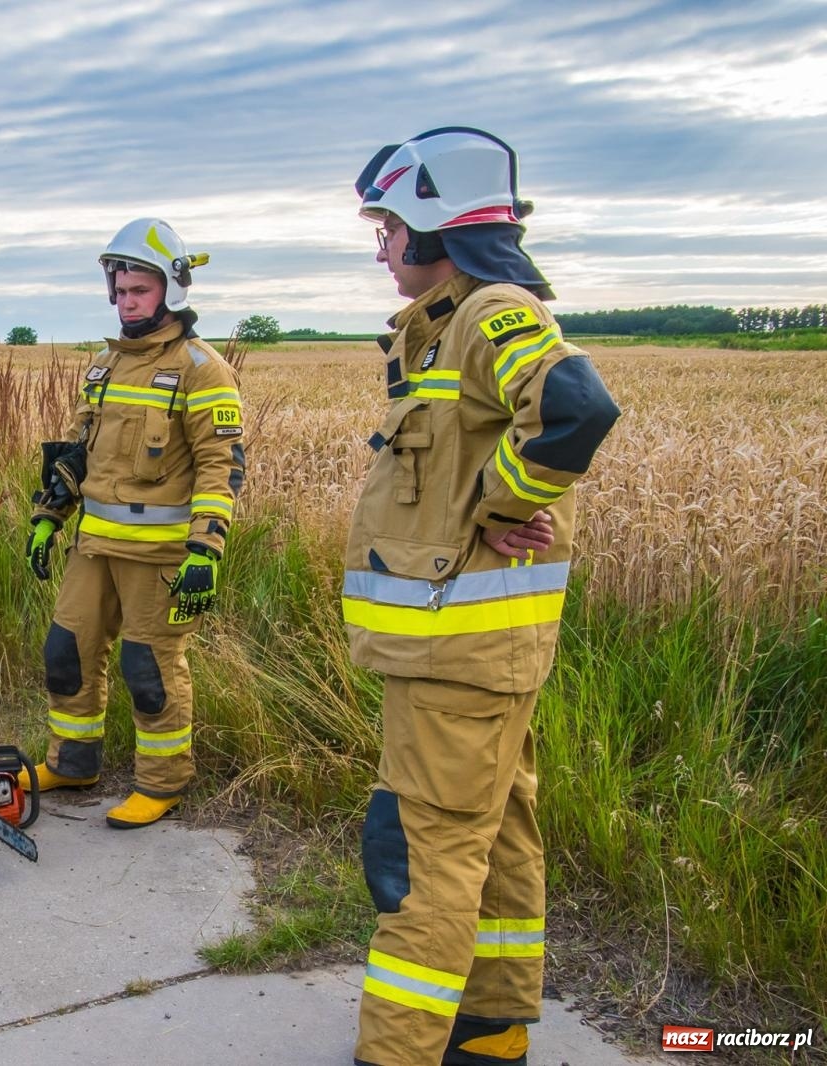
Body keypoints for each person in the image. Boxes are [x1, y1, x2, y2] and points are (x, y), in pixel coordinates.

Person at [344, 128, 621, 1066]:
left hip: (459, 656)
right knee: (496, 831)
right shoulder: (443, 324)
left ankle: (398, 1051)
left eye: (385, 227)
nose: (380, 246)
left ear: (433, 229)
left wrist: (500, 502)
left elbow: (577, 407)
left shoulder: (490, 311)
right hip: (468, 652)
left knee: (418, 856)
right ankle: (494, 1023)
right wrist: (493, 498)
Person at [21, 218, 246, 829]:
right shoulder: (105, 366)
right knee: (66, 653)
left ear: (171, 291)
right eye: (119, 291)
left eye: (138, 291)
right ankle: (72, 764)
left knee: (148, 671)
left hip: (163, 556)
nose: (126, 303)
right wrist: (49, 517)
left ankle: (162, 783)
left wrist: (206, 550)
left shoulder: (204, 370)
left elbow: (221, 468)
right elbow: (78, 456)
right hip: (94, 547)